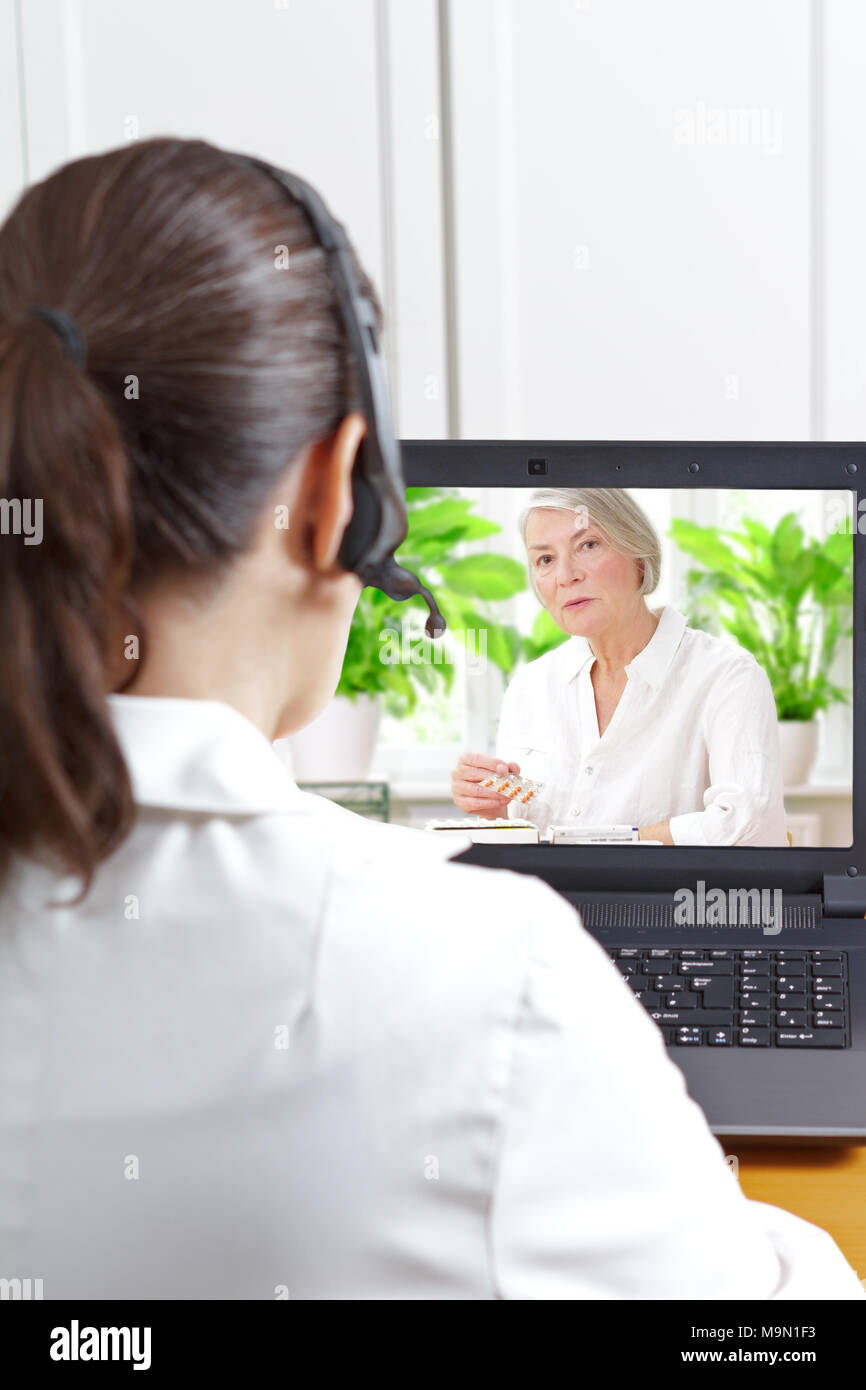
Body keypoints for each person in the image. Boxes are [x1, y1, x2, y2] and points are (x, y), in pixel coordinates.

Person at [0, 137, 860, 1300]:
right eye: (540, 556)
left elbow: (721, 815)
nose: (558, 576)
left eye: (578, 549)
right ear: (335, 493)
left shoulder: (719, 679)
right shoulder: (491, 978)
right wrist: (722, 1218)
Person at [452, 488, 789, 846]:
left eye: (588, 545)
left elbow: (752, 823)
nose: (565, 576)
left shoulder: (726, 676)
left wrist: (607, 846)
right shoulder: (531, 684)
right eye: (545, 559)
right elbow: (528, 826)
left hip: (663, 902)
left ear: (640, 558)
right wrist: (493, 806)